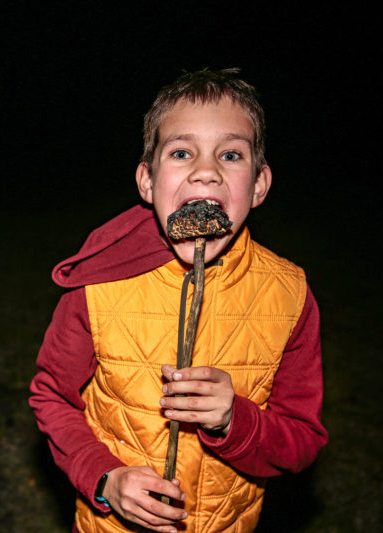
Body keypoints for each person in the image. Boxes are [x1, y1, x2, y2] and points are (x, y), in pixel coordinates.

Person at [29, 68, 328, 533]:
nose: (205, 171)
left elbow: (302, 442)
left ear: (259, 184)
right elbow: (51, 396)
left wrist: (235, 420)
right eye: (181, 152)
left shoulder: (290, 295)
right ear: (148, 181)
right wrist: (105, 479)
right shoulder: (98, 284)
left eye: (230, 154)